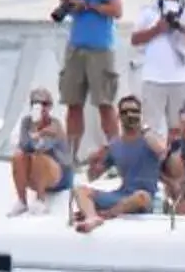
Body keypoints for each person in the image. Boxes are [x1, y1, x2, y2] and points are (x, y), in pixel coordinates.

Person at [53, 0, 126, 161]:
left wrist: (88, 6)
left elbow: (116, 10)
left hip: (99, 49)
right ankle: (71, 156)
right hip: (76, 47)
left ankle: (116, 154)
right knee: (73, 103)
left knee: (105, 104)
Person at [71, 97, 167, 232]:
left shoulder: (149, 138)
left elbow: (162, 150)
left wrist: (143, 127)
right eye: (125, 112)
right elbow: (93, 176)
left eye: (134, 111)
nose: (130, 115)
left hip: (145, 197)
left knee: (141, 196)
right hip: (122, 195)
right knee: (80, 190)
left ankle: (107, 214)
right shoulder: (115, 144)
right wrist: (94, 162)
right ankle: (92, 217)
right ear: (119, 116)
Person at [128, 0, 185, 141]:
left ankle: (177, 164)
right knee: (150, 127)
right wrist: (156, 29)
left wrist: (182, 29)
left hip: (181, 78)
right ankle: (156, 164)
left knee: (178, 129)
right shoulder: (149, 7)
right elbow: (134, 39)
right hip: (154, 78)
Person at [8, 88, 72, 215]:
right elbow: (25, 145)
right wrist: (35, 131)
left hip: (60, 175)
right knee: (18, 156)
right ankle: (22, 201)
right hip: (40, 172)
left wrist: (41, 131)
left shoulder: (55, 125)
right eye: (36, 103)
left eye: (45, 104)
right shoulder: (26, 122)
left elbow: (43, 147)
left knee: (39, 156)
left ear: (50, 106)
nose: (41, 107)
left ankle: (41, 199)